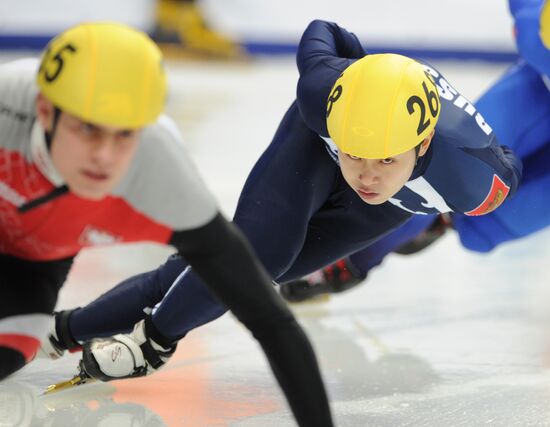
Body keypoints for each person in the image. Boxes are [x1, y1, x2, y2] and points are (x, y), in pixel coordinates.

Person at [42, 18, 521, 398]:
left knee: (226, 271)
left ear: (423, 144)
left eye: (386, 159)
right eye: (354, 153)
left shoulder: (475, 181)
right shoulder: (323, 95)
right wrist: (358, 67)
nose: (367, 175)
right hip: (313, 146)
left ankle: (65, 329)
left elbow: (517, 164)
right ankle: (152, 343)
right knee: (255, 257)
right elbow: (324, 30)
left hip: (400, 196)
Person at [0, 21, 334, 427]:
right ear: (45, 111)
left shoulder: (161, 173)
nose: (104, 156)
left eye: (125, 134)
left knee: (8, 354)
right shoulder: (6, 107)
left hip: (34, 260)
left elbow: (270, 321)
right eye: (87, 128)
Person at [280, 0, 550, 303]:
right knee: (448, 174)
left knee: (486, 229)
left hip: (537, 77)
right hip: (539, 84)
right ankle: (374, 246)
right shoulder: (539, 38)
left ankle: (436, 221)